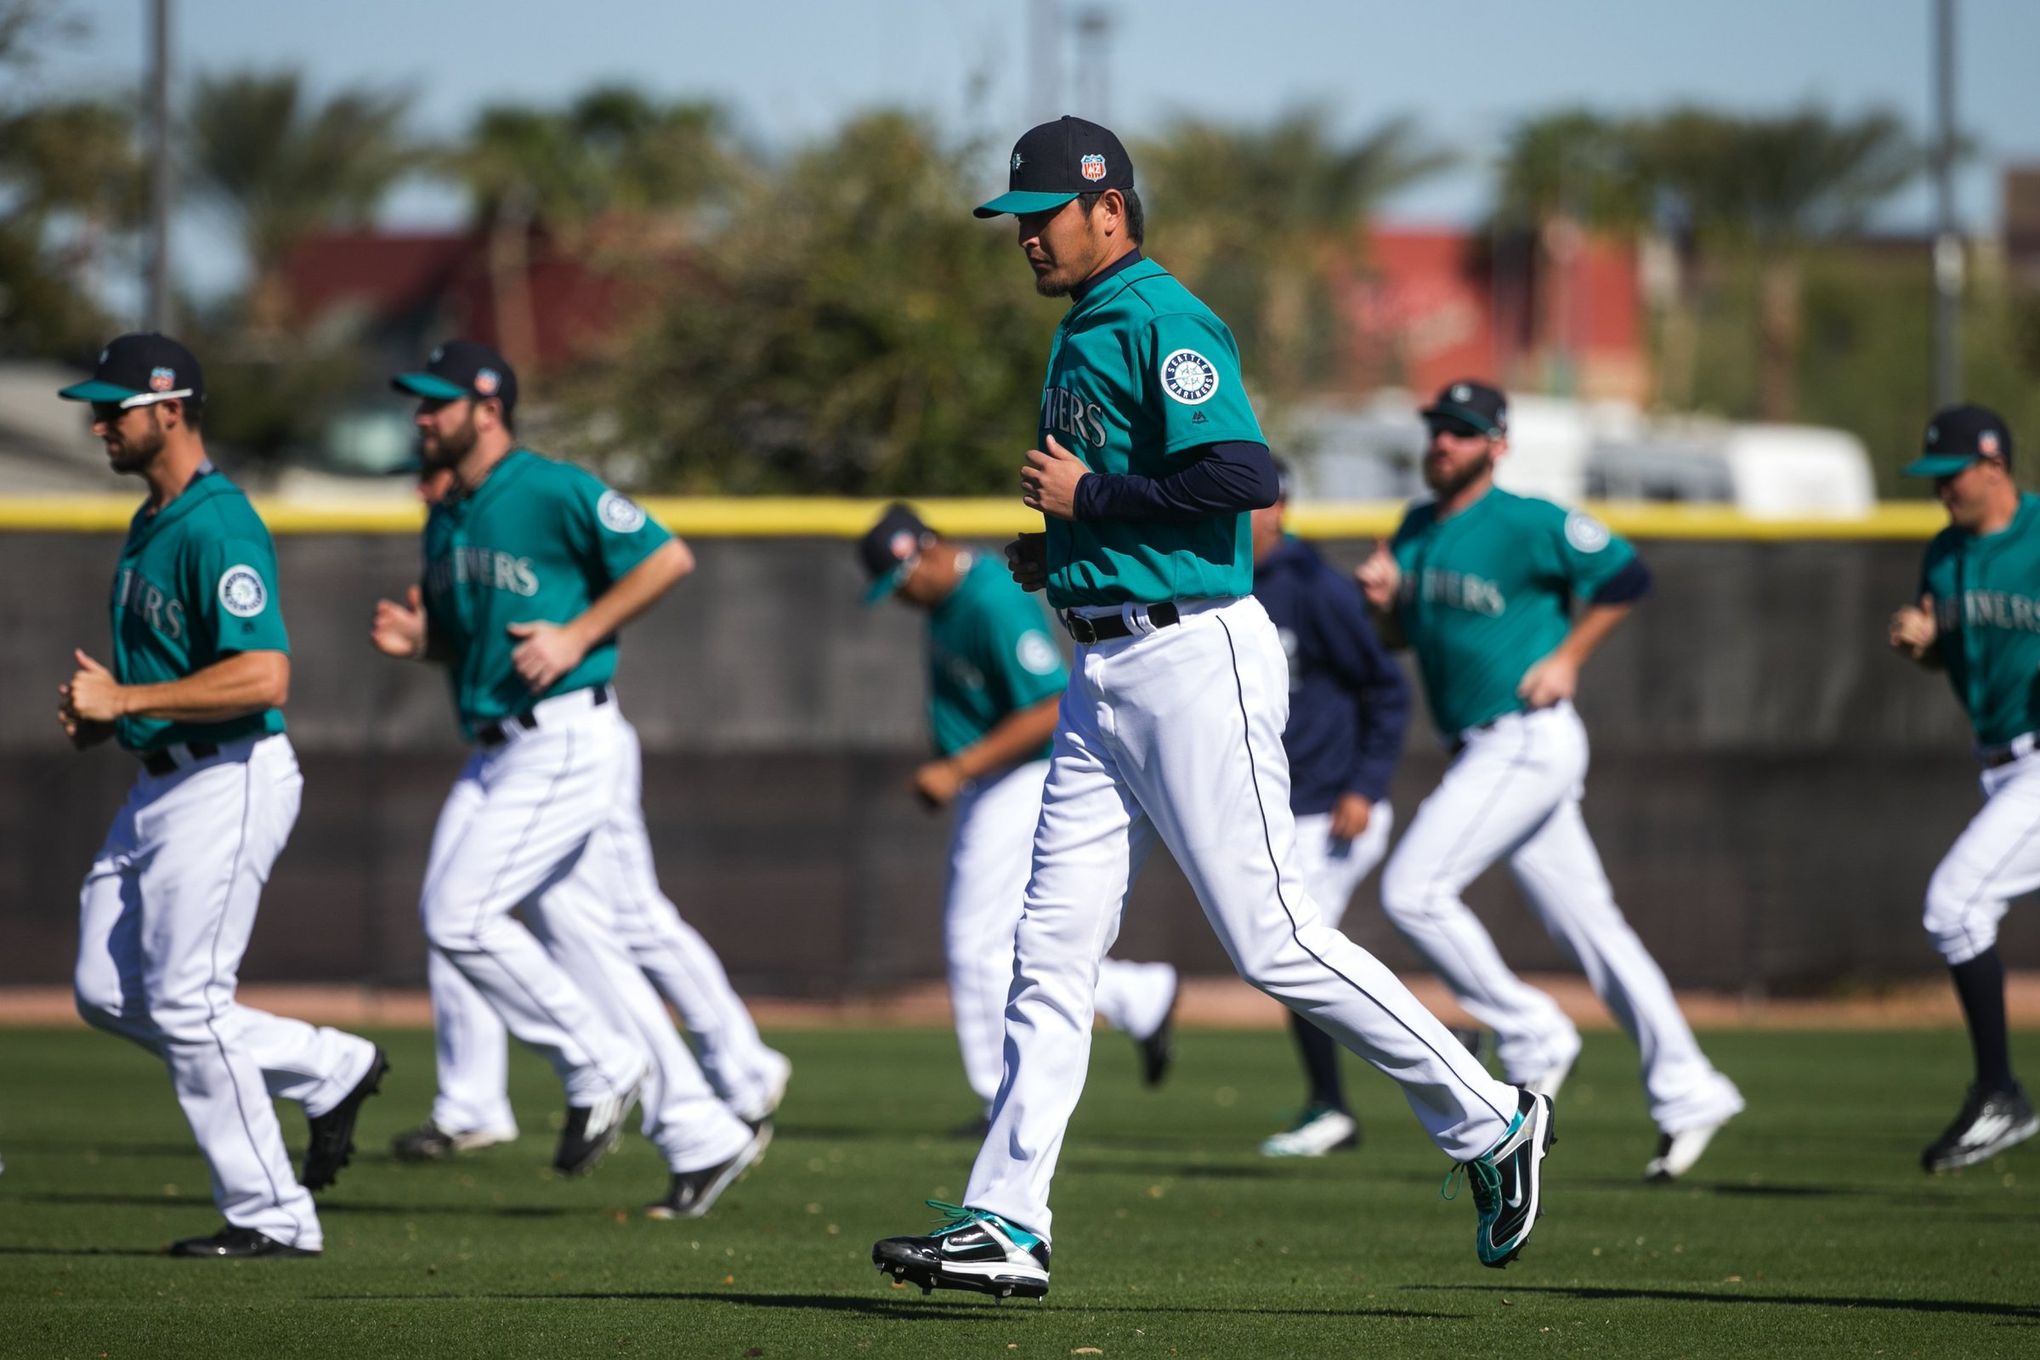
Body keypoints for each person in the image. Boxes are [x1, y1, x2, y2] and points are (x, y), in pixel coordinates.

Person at [872, 118, 1550, 1301]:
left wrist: (1096, 494)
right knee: (1046, 951)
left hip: (1191, 658)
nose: (1027, 235)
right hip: (1101, 670)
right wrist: (1068, 544)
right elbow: (1143, 500)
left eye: (1044, 215)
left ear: (1110, 211)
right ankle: (1007, 1221)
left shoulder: (1158, 315)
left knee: (1273, 939)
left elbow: (1246, 476)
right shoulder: (1086, 324)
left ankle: (1492, 1115)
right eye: (1019, 218)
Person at [370, 340, 767, 1217]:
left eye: (436, 401)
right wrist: (421, 641)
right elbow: (465, 637)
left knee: (460, 914)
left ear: (487, 408)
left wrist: (579, 633)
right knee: (587, 946)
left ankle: (599, 1061)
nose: (420, 416)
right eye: (418, 401)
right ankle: (701, 1133)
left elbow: (667, 556)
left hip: (564, 740)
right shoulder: (450, 512)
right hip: (497, 748)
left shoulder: (549, 487)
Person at [1357, 379, 1744, 1183]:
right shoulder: (1416, 527)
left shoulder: (1527, 521)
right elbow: (1398, 639)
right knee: (1596, 932)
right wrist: (1383, 604)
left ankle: (1533, 1031)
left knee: (1413, 890)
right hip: (1483, 745)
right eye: (1437, 429)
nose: (1443, 445)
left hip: (1525, 738)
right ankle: (1689, 1087)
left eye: (1461, 434)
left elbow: (1626, 576)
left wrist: (1568, 657)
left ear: (1496, 446)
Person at [59, 333, 386, 1258]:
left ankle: (272, 1216)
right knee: (101, 988)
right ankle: (331, 1066)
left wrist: (125, 699)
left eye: (112, 407)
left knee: (189, 1002)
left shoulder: (219, 524)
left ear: (170, 409)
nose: (96, 423)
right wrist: (113, 719)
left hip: (227, 775)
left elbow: (263, 676)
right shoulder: (151, 521)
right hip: (160, 781)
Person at [859, 503, 1179, 1132]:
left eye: (901, 581)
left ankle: (995, 1099)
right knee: (1012, 939)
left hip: (1023, 775)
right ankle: (1139, 997)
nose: (900, 598)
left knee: (975, 941)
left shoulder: (989, 600)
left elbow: (1044, 704)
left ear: (923, 551)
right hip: (993, 780)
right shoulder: (950, 602)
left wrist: (958, 766)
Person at [1889, 403, 2040, 1172]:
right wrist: (1924, 649)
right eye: (1933, 477)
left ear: (1994, 465)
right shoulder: (1944, 554)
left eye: (1952, 475)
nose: (1941, 489)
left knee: (1956, 904)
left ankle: (1998, 1092)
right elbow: (1950, 658)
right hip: (2002, 766)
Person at [1248, 462, 1409, 1157]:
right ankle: (1448, 1042)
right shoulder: (1217, 585)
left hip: (1331, 811)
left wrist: (1364, 785)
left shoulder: (1312, 586)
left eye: (1248, 500)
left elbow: (1387, 688)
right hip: (1279, 808)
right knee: (1292, 961)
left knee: (1292, 957)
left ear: (1279, 507)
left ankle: (1333, 1107)